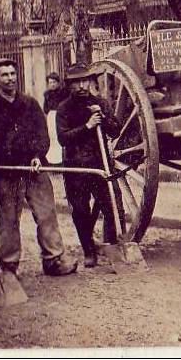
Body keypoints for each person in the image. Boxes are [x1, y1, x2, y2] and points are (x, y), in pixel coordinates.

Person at [0, 58, 78, 278]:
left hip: (33, 170)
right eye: (4, 75)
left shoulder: (30, 104)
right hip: (6, 172)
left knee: (46, 213)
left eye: (13, 74)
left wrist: (37, 156)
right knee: (9, 219)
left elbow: (42, 134)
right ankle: (9, 267)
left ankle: (53, 260)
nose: (10, 78)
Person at [55, 63, 121, 268]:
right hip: (76, 168)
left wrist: (104, 118)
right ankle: (88, 250)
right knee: (81, 210)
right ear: (70, 85)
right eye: (76, 83)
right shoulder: (64, 109)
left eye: (84, 81)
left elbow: (116, 130)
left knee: (111, 205)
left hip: (100, 165)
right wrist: (87, 126)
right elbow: (63, 138)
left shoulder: (99, 103)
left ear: (90, 82)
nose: (82, 86)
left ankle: (111, 245)